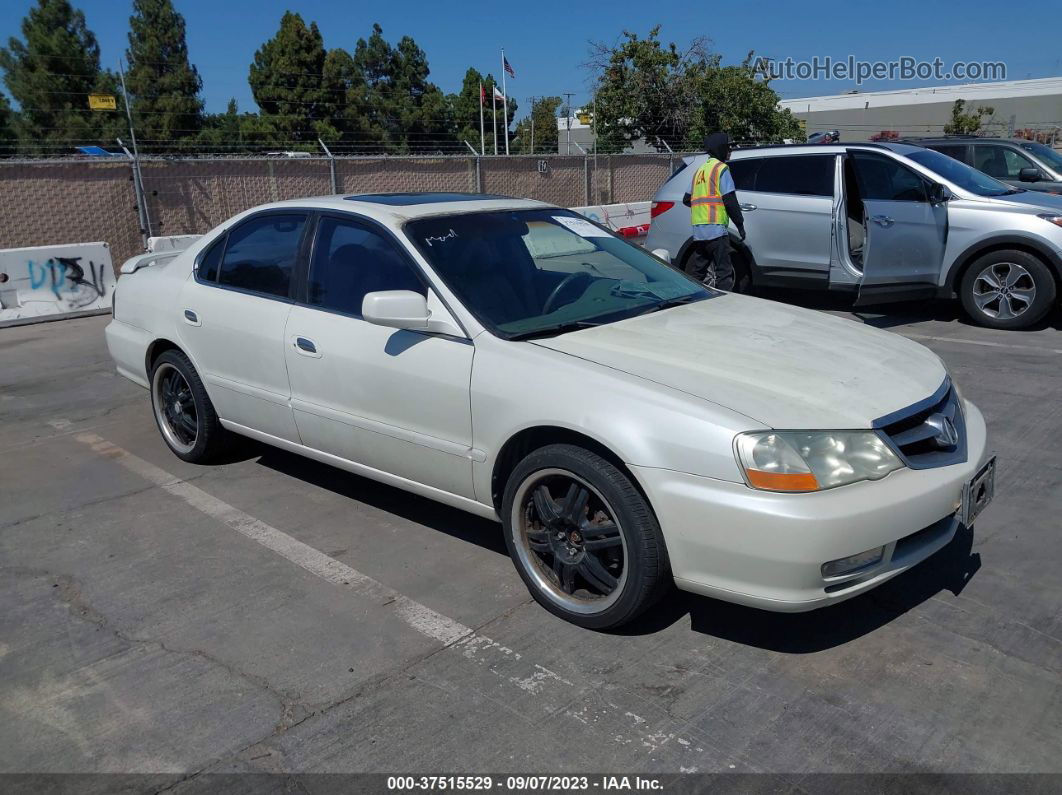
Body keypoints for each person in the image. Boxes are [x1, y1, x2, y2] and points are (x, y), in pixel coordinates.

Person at [682, 133, 745, 290]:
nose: (730, 150)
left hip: (699, 231)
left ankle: (689, 298)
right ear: (720, 148)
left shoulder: (699, 171)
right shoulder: (721, 169)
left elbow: (686, 199)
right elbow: (730, 201)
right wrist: (740, 225)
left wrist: (703, 209)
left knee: (698, 272)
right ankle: (723, 306)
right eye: (728, 147)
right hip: (716, 230)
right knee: (723, 272)